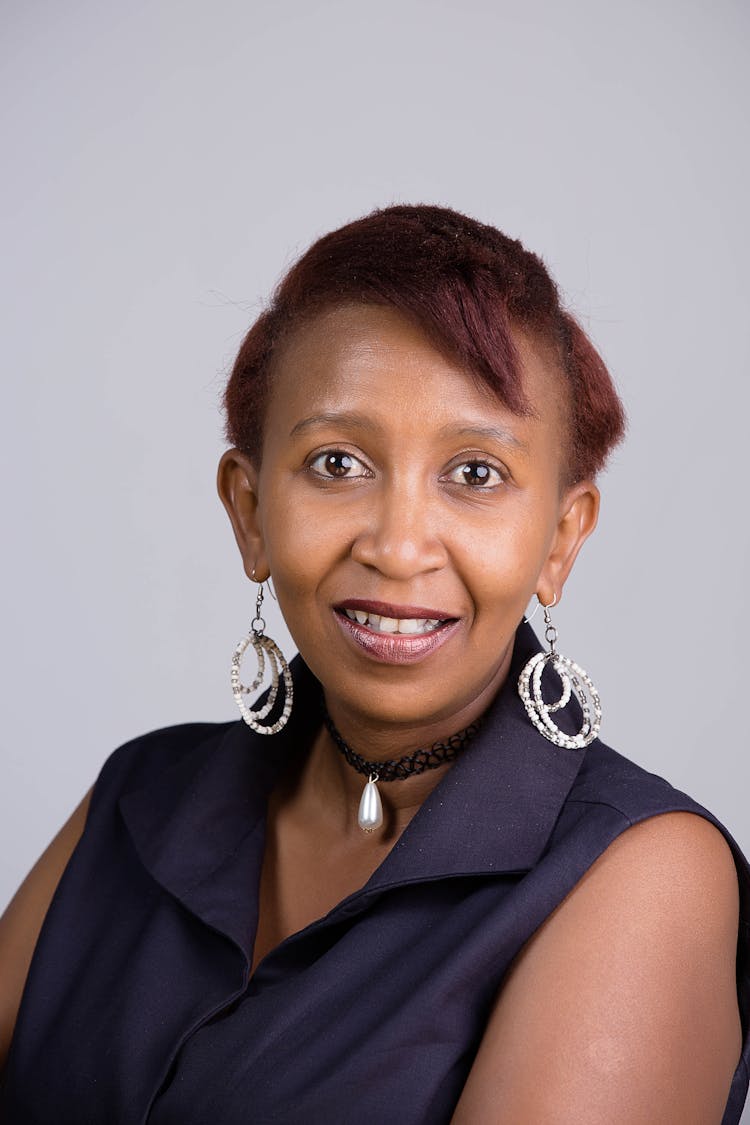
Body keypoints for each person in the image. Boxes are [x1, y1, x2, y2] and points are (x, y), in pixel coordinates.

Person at [1, 204, 748, 1124]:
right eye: (338, 462)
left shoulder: (640, 874)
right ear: (249, 510)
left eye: (475, 473)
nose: (398, 548)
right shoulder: (136, 796)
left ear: (561, 538)